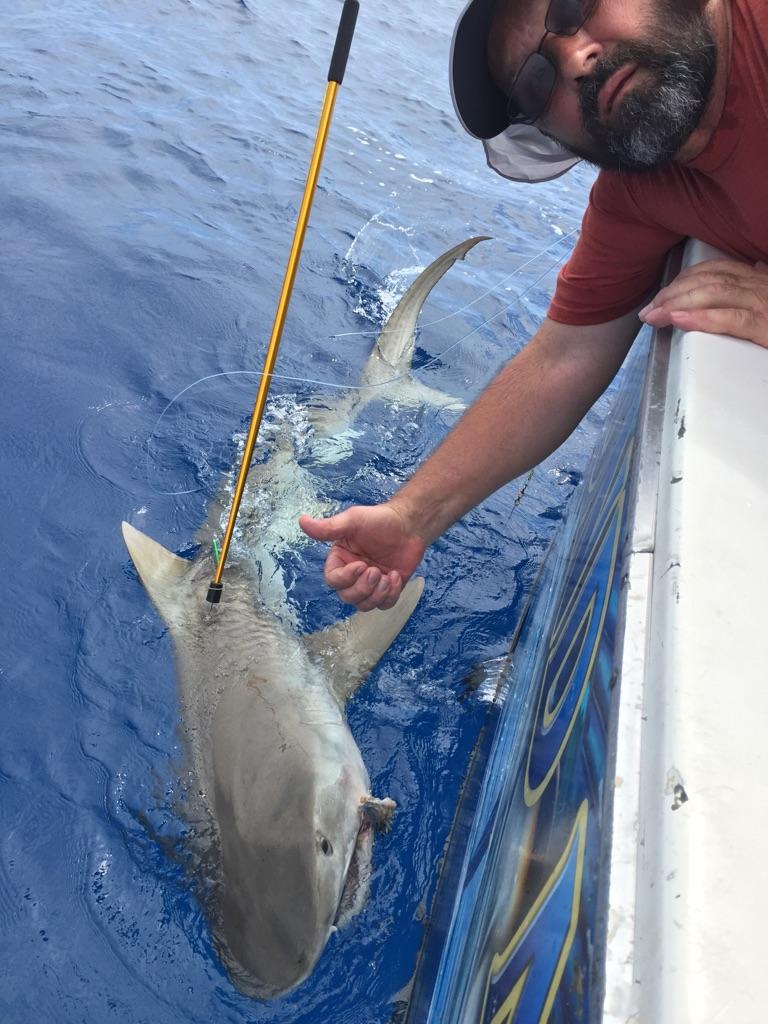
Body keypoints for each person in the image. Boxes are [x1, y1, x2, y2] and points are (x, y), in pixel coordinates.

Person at [299, 0, 768, 611]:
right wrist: (411, 517)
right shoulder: (639, 194)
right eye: (536, 82)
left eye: (572, 7)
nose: (575, 59)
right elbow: (562, 360)